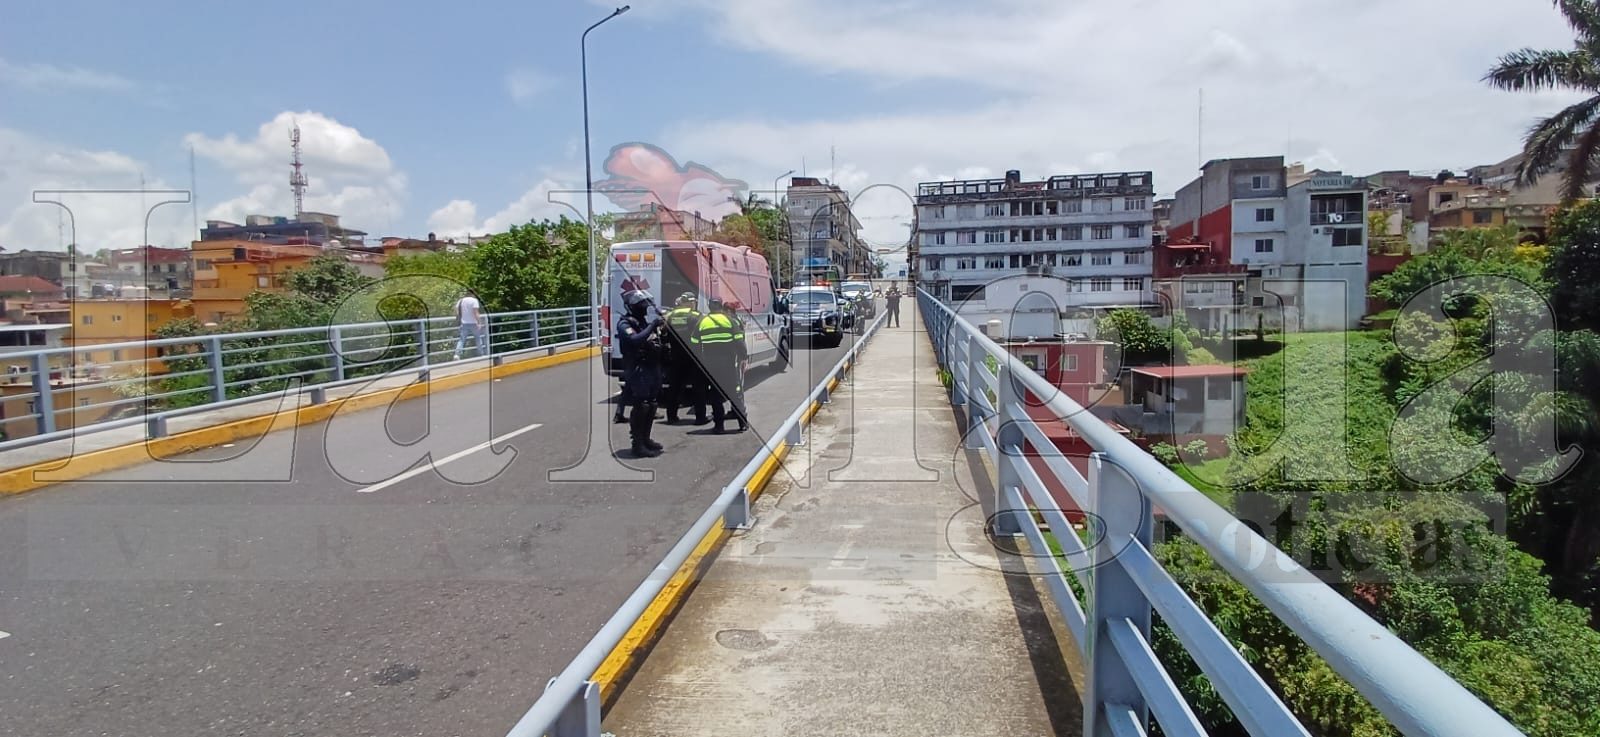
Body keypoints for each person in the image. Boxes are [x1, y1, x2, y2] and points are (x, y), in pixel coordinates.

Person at [616, 289, 666, 457]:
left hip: (651, 366)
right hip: (637, 368)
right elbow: (634, 340)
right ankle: (637, 444)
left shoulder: (643, 321)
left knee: (652, 404)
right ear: (633, 307)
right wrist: (653, 325)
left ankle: (646, 439)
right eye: (642, 306)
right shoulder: (625, 323)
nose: (645, 309)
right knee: (641, 405)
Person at [691, 299, 748, 434]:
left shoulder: (702, 322)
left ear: (710, 307)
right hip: (728, 364)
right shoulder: (729, 321)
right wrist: (743, 357)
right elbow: (739, 341)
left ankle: (719, 426)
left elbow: (694, 343)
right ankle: (742, 424)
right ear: (721, 307)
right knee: (735, 394)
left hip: (711, 365)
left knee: (716, 397)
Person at [662, 292, 707, 425]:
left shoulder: (670, 316)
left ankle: (671, 416)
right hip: (694, 357)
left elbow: (663, 334)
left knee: (674, 387)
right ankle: (700, 418)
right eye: (694, 302)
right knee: (698, 388)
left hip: (675, 357)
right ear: (690, 302)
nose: (695, 304)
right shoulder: (696, 316)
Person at [452, 292, 488, 360]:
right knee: (478, 338)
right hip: (473, 323)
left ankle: (457, 354)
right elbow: (476, 312)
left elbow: (457, 311)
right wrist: (479, 322)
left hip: (463, 323)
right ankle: (481, 354)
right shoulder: (474, 300)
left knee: (462, 339)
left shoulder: (461, 301)